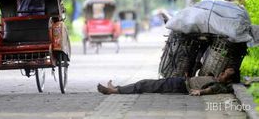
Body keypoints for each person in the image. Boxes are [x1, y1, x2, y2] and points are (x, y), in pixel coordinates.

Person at [97, 67, 238, 96]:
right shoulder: (215, 78)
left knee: (145, 84)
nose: (222, 74)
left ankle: (113, 91)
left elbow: (212, 90)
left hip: (179, 85)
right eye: (224, 71)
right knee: (146, 83)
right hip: (180, 81)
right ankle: (117, 88)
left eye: (226, 75)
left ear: (229, 80)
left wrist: (199, 92)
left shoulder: (220, 85)